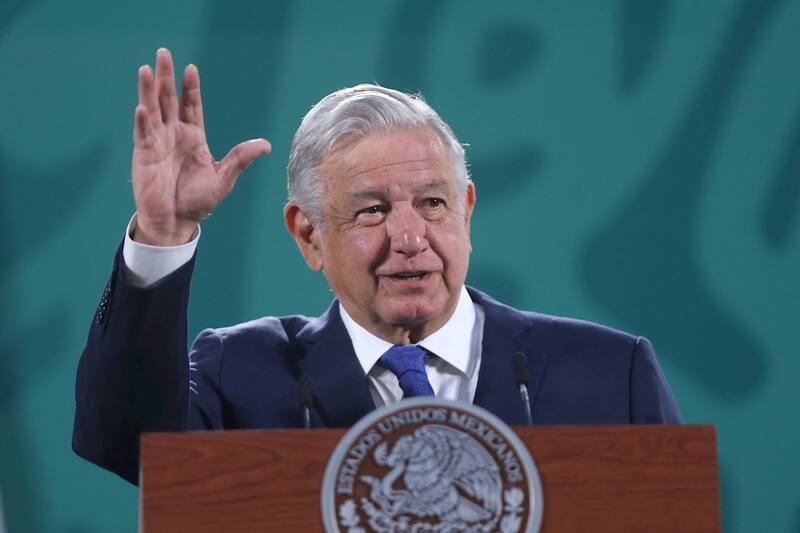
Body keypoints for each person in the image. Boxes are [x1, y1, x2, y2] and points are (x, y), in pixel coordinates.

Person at [72, 49, 681, 485]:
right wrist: (162, 234)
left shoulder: (610, 375)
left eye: (432, 203)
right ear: (309, 235)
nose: (410, 238)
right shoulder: (241, 375)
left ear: (466, 211)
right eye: (372, 211)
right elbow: (127, 444)